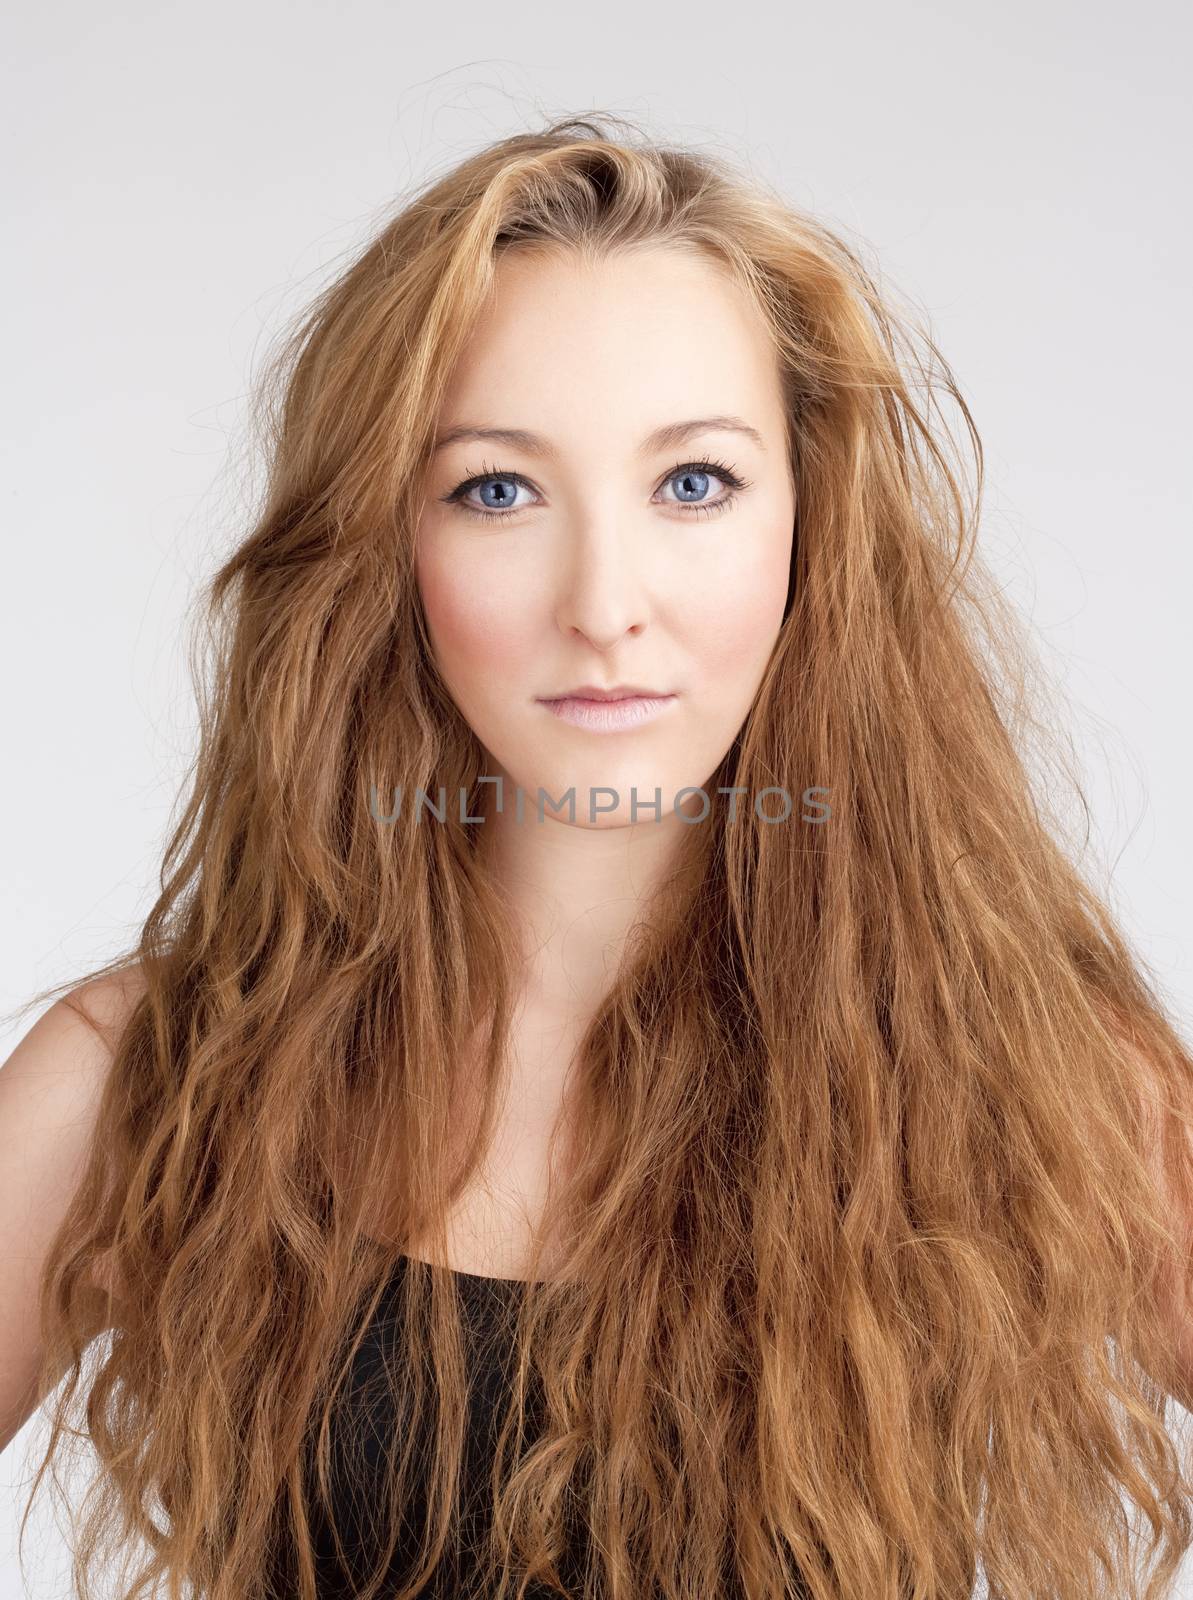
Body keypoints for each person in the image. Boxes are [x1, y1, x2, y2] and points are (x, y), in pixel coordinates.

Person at [2, 111, 1192, 1600]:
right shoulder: (146, 1081)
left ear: (810, 531)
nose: (604, 602)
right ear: (384, 546)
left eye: (692, 483)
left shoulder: (1043, 1076)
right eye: (496, 489)